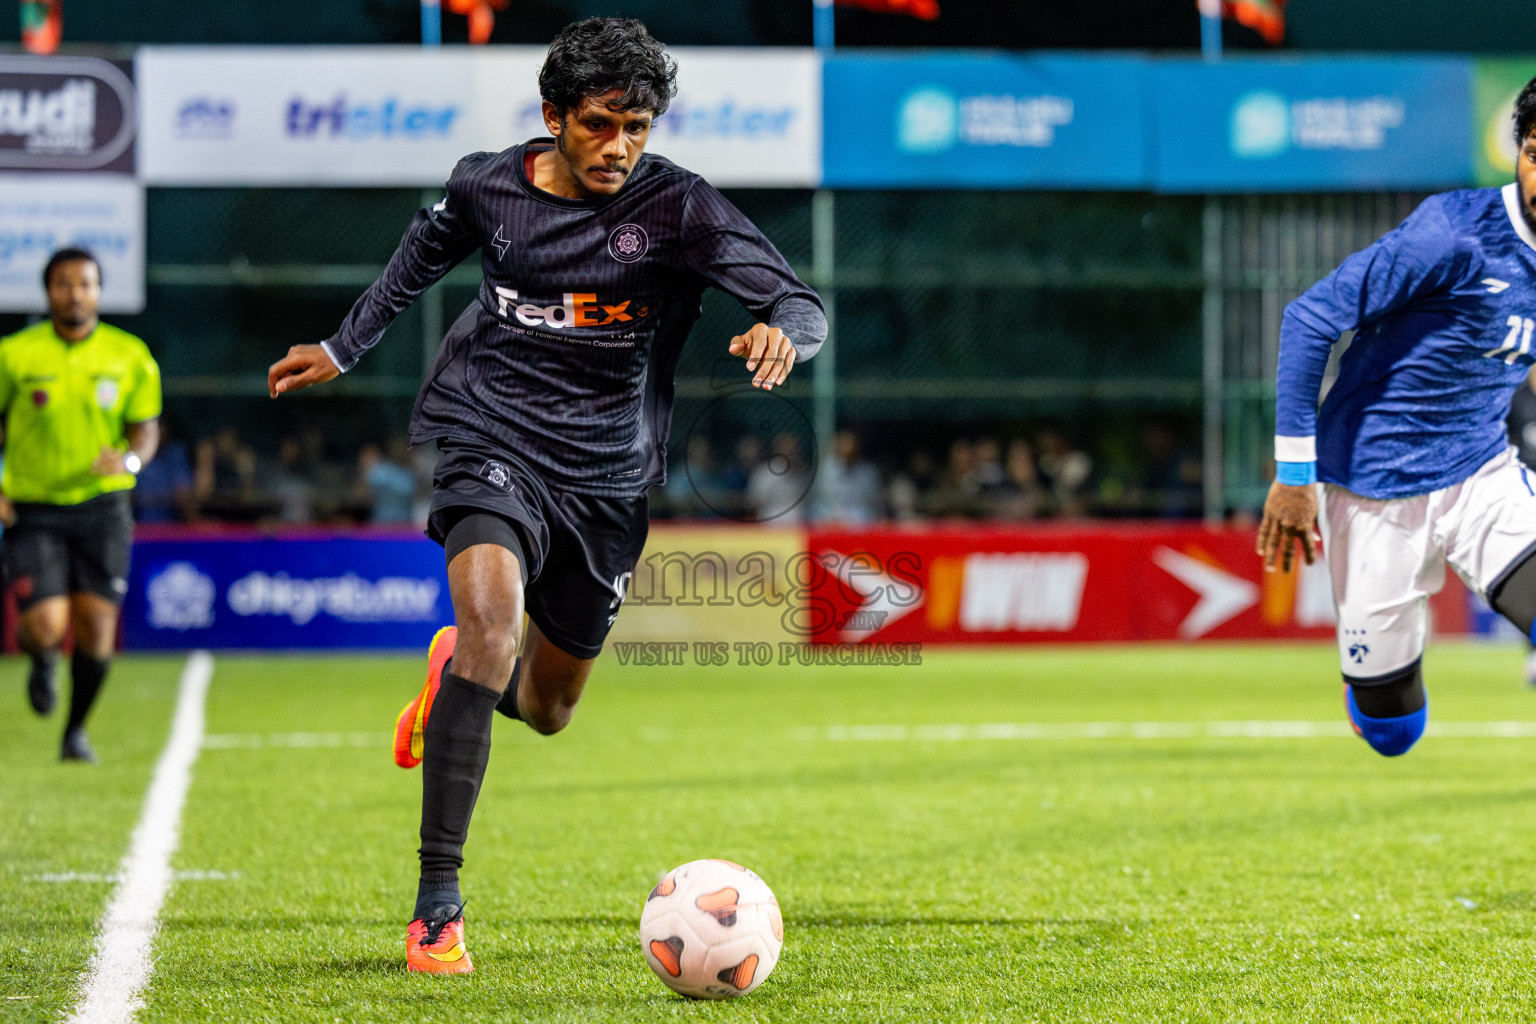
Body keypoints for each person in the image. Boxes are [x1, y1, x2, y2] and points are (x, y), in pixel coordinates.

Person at [266, 18, 825, 975]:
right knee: (491, 624)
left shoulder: (679, 207)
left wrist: (784, 333)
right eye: (602, 124)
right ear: (555, 116)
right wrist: (341, 347)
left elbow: (800, 302)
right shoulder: (485, 185)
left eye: (638, 127)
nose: (620, 147)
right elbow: (413, 266)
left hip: (607, 478)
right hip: (491, 438)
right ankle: (437, 904)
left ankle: (454, 681)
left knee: (549, 705)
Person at [1258, 75, 1536, 759]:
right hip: (1371, 487)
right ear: (1520, 151)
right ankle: (1373, 691)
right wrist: (1297, 475)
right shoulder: (1455, 234)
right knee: (1393, 728)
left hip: (1482, 475)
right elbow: (1310, 318)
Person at [0, 248, 161, 763]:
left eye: (85, 283)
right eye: (64, 283)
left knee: (96, 631)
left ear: (98, 290)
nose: (75, 292)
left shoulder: (129, 353)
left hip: (103, 509)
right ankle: (43, 660)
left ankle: (75, 731)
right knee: (44, 625)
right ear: (48, 291)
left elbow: (146, 429)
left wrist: (132, 462)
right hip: (33, 507)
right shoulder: (15, 354)